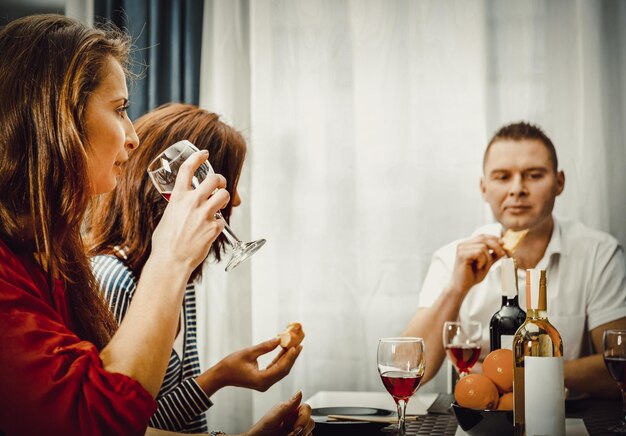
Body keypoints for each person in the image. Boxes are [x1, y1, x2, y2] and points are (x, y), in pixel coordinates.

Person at [0, 14, 313, 436]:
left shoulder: (51, 259)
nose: (132, 137)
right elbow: (104, 421)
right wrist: (170, 257)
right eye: (120, 109)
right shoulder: (91, 275)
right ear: (57, 116)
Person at [86, 103, 302, 433]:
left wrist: (223, 378)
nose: (236, 201)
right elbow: (121, 425)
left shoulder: (180, 276)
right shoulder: (112, 280)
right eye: (226, 185)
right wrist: (218, 380)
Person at [403, 121, 626, 398]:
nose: (517, 189)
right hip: (477, 419)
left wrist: (508, 372)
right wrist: (456, 288)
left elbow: (619, 362)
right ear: (484, 188)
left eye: (534, 175)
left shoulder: (599, 253)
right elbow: (409, 367)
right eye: (502, 177)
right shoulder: (453, 258)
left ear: (559, 183)